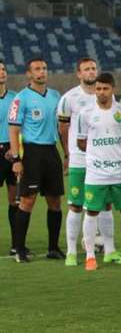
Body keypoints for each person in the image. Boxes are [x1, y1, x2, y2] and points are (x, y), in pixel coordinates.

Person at [59, 58, 118, 267]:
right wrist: (68, 154)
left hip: (103, 160)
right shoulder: (69, 98)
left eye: (93, 68)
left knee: (105, 204)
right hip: (79, 159)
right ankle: (72, 252)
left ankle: (110, 250)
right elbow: (63, 129)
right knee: (75, 205)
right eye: (86, 69)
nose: (91, 72)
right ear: (78, 73)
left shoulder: (104, 96)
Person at [77, 73, 121, 271]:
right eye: (98, 89)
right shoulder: (85, 113)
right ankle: (91, 256)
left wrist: (115, 154)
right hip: (96, 173)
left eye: (105, 89)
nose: (101, 93)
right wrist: (99, 156)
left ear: (113, 89)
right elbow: (81, 141)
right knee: (92, 212)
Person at [8, 58, 65, 262]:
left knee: (55, 200)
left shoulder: (56, 96)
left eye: (44, 68)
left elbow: (61, 128)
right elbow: (13, 130)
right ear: (29, 74)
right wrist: (16, 158)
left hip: (51, 152)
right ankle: (20, 249)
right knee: (27, 200)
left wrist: (66, 153)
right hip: (31, 153)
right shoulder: (21, 98)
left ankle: (53, 248)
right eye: (37, 69)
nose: (42, 72)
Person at [0, 60, 19, 255]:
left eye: (4, 69)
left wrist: (14, 150)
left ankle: (16, 244)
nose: (2, 73)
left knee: (15, 200)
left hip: (11, 152)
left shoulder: (15, 98)